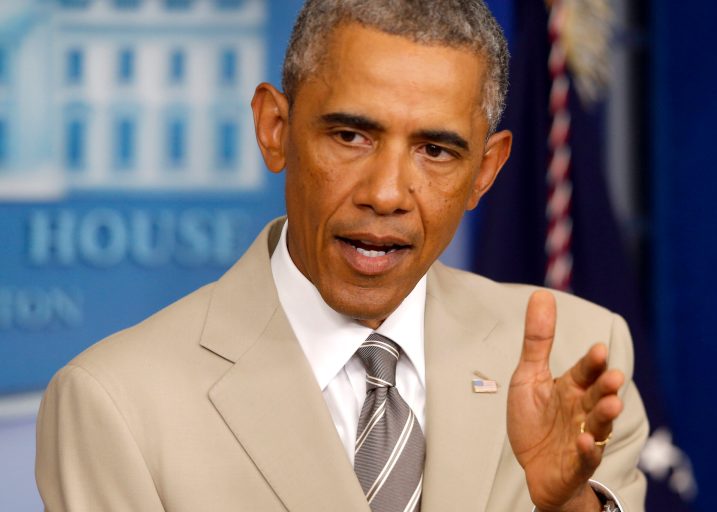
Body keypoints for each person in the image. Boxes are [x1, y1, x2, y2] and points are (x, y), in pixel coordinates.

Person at [35, 1, 648, 511]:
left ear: (484, 172)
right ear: (275, 128)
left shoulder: (582, 356)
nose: (385, 194)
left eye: (435, 150)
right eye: (351, 136)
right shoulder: (115, 402)